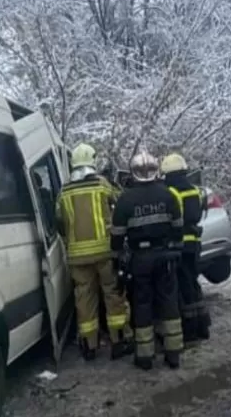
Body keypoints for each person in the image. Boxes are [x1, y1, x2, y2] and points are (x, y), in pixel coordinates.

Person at [57, 142, 131, 361]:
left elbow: (59, 221)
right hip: (104, 252)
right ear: (92, 161)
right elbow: (120, 200)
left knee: (84, 298)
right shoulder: (102, 185)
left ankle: (89, 345)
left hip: (77, 256)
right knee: (112, 293)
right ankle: (118, 340)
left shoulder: (63, 192)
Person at [111, 151, 184, 370]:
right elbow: (178, 229)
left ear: (133, 173)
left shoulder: (125, 199)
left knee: (141, 305)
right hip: (165, 258)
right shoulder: (168, 195)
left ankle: (144, 357)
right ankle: (173, 354)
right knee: (169, 303)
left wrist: (118, 259)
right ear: (155, 171)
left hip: (139, 260)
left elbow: (116, 237)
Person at [162, 152, 212, 342]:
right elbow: (196, 216)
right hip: (194, 243)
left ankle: (190, 329)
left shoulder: (171, 192)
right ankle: (203, 325)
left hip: (180, 244)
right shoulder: (193, 190)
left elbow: (172, 220)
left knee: (183, 287)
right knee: (193, 282)